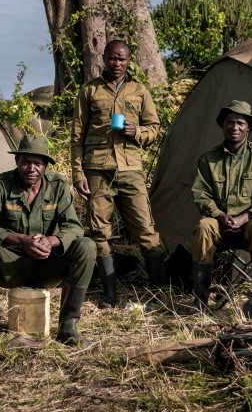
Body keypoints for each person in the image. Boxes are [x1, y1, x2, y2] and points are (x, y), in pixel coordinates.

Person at [0, 134, 97, 345]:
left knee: (87, 246)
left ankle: (68, 328)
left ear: (45, 166)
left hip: (47, 266)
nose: (31, 168)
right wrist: (21, 240)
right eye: (26, 162)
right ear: (17, 162)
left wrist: (52, 241)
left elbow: (73, 226)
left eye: (38, 163)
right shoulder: (2, 184)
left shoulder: (58, 185)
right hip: (11, 266)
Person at [71, 39, 166, 308]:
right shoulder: (89, 91)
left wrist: (138, 132)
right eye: (112, 58)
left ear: (129, 61)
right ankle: (109, 295)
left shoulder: (139, 91)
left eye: (122, 59)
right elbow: (77, 136)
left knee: (146, 231)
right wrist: (79, 173)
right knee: (100, 233)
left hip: (130, 170)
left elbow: (154, 127)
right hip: (97, 171)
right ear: (104, 58)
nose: (117, 63)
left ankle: (158, 294)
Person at [189, 100, 252, 308]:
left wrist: (246, 217)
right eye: (230, 122)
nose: (235, 127)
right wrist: (220, 215)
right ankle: (200, 300)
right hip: (219, 223)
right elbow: (201, 194)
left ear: (248, 127)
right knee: (204, 227)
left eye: (240, 123)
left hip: (251, 224)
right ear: (223, 126)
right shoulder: (208, 159)